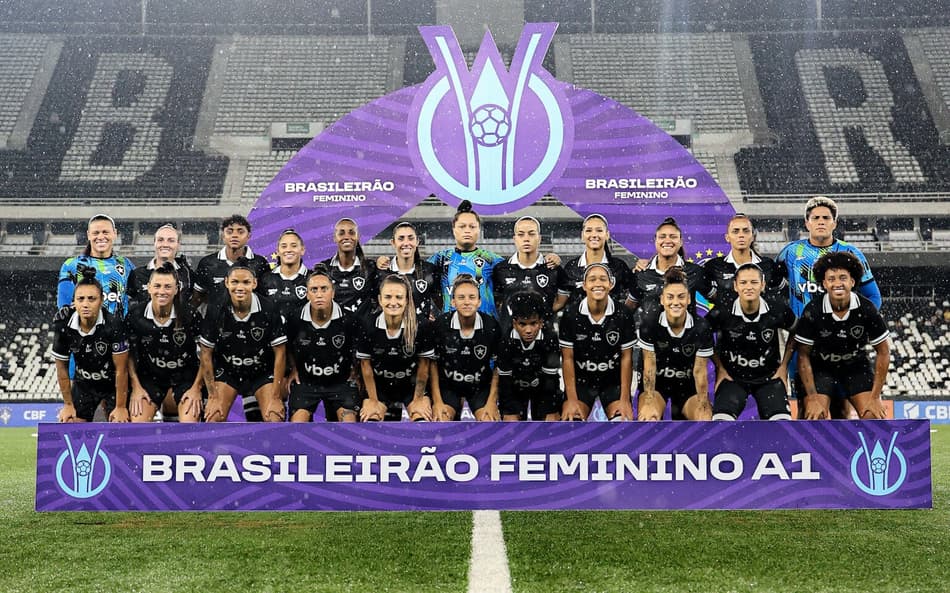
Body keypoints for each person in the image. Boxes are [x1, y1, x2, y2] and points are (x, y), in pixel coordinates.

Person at [777, 196, 882, 417]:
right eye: (816, 218)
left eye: (827, 217)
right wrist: (789, 321)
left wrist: (857, 325)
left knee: (842, 409)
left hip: (843, 343)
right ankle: (809, 452)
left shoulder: (852, 253)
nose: (821, 221)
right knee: (809, 409)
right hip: (804, 344)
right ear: (807, 223)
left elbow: (873, 297)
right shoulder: (790, 253)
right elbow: (773, 294)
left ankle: (841, 450)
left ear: (835, 223)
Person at [795, 252, 890, 420]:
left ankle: (861, 446)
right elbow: (803, 355)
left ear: (852, 282)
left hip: (855, 366)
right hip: (821, 368)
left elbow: (883, 352)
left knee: (872, 415)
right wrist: (812, 396)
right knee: (815, 415)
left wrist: (875, 397)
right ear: (824, 283)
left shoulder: (867, 309)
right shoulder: (813, 310)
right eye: (831, 279)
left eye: (843, 278)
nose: (837, 283)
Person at [706, 263, 796, 421]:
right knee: (720, 423)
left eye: (754, 282)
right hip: (733, 378)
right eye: (743, 283)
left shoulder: (777, 307)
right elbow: (701, 334)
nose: (749, 287)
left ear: (763, 285)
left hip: (769, 378)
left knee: (782, 425)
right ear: (735, 286)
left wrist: (783, 366)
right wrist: (720, 366)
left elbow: (798, 331)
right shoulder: (723, 309)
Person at [199, 264, 287, 423]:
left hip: (261, 372)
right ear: (226, 282)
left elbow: (280, 352)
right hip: (228, 372)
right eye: (234, 282)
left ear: (254, 283)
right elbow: (206, 353)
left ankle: (268, 448)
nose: (240, 287)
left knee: (274, 418)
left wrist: (275, 396)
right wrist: (212, 396)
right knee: (213, 418)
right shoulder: (215, 309)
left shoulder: (268, 308)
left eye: (246, 282)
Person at [125, 263, 203, 423]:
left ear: (176, 289)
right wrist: (136, 387)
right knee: (137, 424)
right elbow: (128, 356)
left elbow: (206, 356)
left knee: (189, 426)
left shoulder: (190, 315)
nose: (162, 291)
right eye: (157, 286)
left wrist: (196, 388)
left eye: (168, 287)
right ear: (149, 288)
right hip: (150, 379)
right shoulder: (135, 316)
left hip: (185, 378)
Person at [558, 263, 636, 421]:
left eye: (603, 279)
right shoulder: (571, 314)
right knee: (572, 420)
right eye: (592, 279)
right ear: (584, 285)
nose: (598, 283)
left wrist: (624, 399)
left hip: (612, 382)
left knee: (622, 421)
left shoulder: (623, 314)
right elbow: (568, 359)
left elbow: (626, 358)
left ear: (611, 284)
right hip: (582, 382)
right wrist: (572, 400)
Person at [51, 267, 130, 422]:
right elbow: (61, 368)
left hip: (112, 384)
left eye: (91, 299)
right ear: (74, 301)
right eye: (81, 299)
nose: (85, 304)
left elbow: (122, 370)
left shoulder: (114, 324)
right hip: (84, 384)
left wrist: (120, 407)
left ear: (101, 300)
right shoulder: (63, 325)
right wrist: (68, 404)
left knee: (120, 427)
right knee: (69, 423)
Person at [637, 267, 715, 421]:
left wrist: (704, 404)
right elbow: (649, 368)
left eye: (681, 297)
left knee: (704, 418)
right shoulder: (650, 325)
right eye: (670, 297)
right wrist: (648, 400)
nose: (675, 302)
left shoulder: (701, 327)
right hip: (657, 386)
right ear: (662, 299)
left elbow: (700, 372)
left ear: (689, 299)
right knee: (649, 417)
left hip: (687, 387)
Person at [285, 266, 359, 422]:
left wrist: (356, 370)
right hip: (306, 383)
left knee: (349, 422)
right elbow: (287, 347)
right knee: (297, 423)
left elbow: (360, 348)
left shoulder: (349, 319)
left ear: (333, 292)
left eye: (324, 289)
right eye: (314, 289)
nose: (319, 294)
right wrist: (293, 368)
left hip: (340, 383)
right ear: (307, 294)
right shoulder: (294, 318)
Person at [356, 274, 434, 421]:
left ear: (406, 300)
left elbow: (424, 366)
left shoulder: (421, 325)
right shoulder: (368, 325)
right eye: (388, 297)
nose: (393, 302)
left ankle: (422, 445)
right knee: (370, 418)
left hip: (410, 386)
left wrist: (418, 398)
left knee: (422, 419)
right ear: (380, 299)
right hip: (380, 388)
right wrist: (373, 400)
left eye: (398, 297)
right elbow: (365, 365)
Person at [430, 274, 502, 421]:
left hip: (480, 387)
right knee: (441, 420)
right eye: (461, 297)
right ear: (453, 302)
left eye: (472, 297)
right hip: (448, 387)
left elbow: (498, 368)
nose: (467, 302)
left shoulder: (491, 326)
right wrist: (437, 402)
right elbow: (432, 364)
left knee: (488, 421)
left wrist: (491, 402)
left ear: (479, 302)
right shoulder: (441, 325)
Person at [491, 216, 570, 328]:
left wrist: (544, 313)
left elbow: (560, 302)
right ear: (515, 239)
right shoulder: (500, 270)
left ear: (539, 238)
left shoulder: (553, 269)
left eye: (531, 234)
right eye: (521, 234)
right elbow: (497, 303)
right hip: (509, 339)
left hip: (544, 338)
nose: (526, 239)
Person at [496, 291, 563, 421]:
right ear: (514, 323)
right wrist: (510, 411)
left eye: (533, 323)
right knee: (511, 423)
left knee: (550, 421)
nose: (528, 330)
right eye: (522, 324)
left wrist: (549, 410)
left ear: (541, 322)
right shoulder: (505, 341)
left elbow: (551, 381)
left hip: (543, 390)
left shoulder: (549, 339)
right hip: (515, 390)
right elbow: (505, 383)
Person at [628, 217, 710, 319]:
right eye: (662, 237)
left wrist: (703, 326)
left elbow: (720, 302)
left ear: (681, 242)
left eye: (673, 237)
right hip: (652, 335)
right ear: (655, 241)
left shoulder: (695, 272)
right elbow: (627, 311)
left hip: (686, 334)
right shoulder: (641, 274)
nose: (667, 240)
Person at [702, 214, 786, 310]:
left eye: (746, 231)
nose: (741, 235)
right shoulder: (713, 266)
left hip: (762, 323)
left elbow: (783, 295)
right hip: (728, 324)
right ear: (727, 237)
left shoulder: (768, 265)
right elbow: (709, 295)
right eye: (735, 231)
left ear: (753, 236)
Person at [58, 213, 135, 316]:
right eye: (96, 233)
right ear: (88, 235)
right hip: (86, 329)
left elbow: (140, 294)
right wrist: (65, 307)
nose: (101, 237)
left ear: (115, 233)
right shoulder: (72, 265)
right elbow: (64, 298)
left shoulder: (126, 264)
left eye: (105, 232)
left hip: (118, 329)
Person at [192, 214, 271, 309]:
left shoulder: (260, 263)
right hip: (216, 323)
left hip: (250, 321)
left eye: (240, 232)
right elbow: (197, 298)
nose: (234, 235)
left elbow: (266, 298)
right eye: (229, 232)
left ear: (248, 236)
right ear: (223, 236)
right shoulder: (207, 263)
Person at [373, 221, 441, 320]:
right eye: (401, 238)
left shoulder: (429, 270)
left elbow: (440, 303)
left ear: (417, 241)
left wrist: (433, 319)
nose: (406, 243)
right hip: (391, 331)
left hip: (421, 333)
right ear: (393, 243)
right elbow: (374, 305)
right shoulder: (381, 273)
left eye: (410, 238)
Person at [561, 214, 632, 308]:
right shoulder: (571, 267)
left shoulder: (619, 266)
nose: (594, 235)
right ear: (582, 235)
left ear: (607, 235)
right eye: (589, 230)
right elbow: (561, 302)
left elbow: (633, 296)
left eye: (599, 230)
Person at [127, 223, 195, 309]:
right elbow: (128, 305)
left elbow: (196, 302)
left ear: (178, 245)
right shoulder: (137, 274)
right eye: (160, 240)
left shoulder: (188, 274)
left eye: (171, 240)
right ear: (154, 243)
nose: (165, 244)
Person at [320, 217, 377, 317]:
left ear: (358, 236)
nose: (346, 237)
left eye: (351, 232)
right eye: (341, 233)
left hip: (361, 330)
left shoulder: (370, 268)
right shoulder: (324, 268)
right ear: (335, 237)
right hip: (334, 329)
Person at [261, 229, 310, 321]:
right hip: (273, 334)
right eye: (284, 246)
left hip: (303, 334)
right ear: (278, 251)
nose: (288, 250)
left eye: (294, 246)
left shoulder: (312, 279)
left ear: (302, 250)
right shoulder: (265, 279)